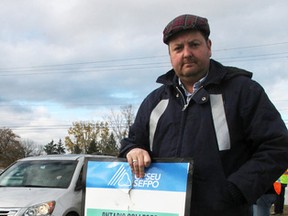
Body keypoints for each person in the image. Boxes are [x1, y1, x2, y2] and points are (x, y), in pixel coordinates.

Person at [119, 14, 288, 216]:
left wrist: (236, 190)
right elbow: (132, 142)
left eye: (194, 44)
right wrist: (133, 149)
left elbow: (278, 146)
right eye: (178, 48)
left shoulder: (244, 92)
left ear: (208, 46)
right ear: (170, 55)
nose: (187, 53)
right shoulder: (154, 101)